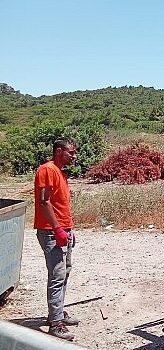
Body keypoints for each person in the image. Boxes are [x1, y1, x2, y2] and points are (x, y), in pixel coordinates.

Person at [34, 137, 80, 341]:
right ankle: (55, 323)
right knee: (57, 276)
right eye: (71, 152)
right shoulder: (47, 169)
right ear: (59, 151)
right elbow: (44, 202)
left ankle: (57, 313)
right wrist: (58, 229)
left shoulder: (60, 172)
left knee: (63, 274)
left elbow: (60, 204)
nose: (74, 155)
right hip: (51, 232)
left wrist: (69, 229)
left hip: (62, 230)